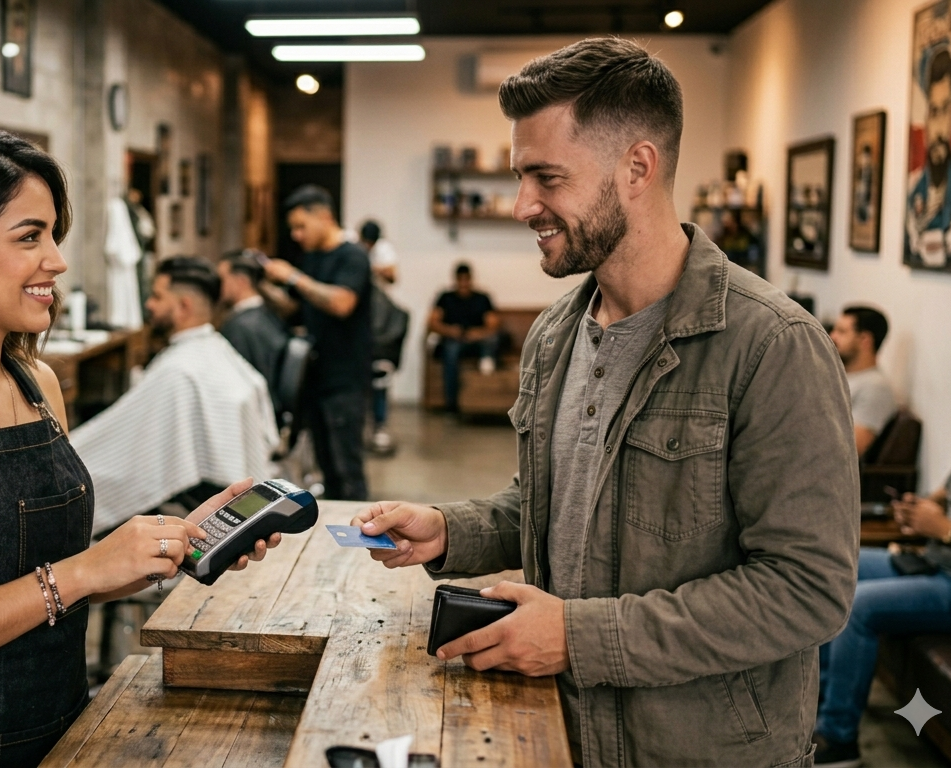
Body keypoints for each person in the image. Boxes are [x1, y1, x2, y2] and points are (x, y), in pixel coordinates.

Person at [351, 38, 858, 767]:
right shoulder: (557, 334)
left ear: (637, 167)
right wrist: (447, 530)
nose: (524, 204)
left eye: (546, 177)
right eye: (522, 175)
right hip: (559, 732)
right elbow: (554, 505)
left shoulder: (774, 345)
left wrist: (575, 636)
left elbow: (807, 590)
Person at [0, 129, 278, 767]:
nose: (57, 261)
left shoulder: (36, 384)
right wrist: (85, 570)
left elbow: (45, 587)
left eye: (53, 235)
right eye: (29, 236)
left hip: (54, 736)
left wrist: (161, 549)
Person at [814, 359, 951, 767]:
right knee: (833, 565)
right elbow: (942, 497)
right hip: (933, 562)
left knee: (859, 605)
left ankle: (838, 737)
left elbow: (949, 528)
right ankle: (813, 700)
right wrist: (917, 509)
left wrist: (946, 532)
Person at [71, 256, 278, 533]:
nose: (149, 305)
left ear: (183, 306)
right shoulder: (214, 349)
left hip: (194, 492)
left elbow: (134, 456)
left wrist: (64, 458)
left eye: (157, 296)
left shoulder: (180, 370)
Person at [263, 186, 373, 501]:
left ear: (324, 217)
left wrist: (294, 277)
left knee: (347, 469)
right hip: (316, 377)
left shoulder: (352, 256)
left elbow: (341, 303)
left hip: (345, 380)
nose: (296, 235)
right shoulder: (312, 257)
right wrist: (264, 284)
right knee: (327, 467)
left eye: (301, 226)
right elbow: (296, 309)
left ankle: (363, 543)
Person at [906, 47, 951, 269]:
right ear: (926, 119)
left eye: (944, 111)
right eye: (934, 112)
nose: (939, 129)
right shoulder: (915, 193)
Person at [428, 262, 502, 412]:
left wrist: (478, 333)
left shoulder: (482, 298)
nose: (463, 284)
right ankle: (452, 403)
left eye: (466, 280)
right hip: (454, 340)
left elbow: (493, 324)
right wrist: (450, 331)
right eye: (460, 280)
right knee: (451, 350)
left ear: (471, 279)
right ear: (455, 279)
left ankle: (485, 389)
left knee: (492, 341)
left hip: (479, 340)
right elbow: (432, 323)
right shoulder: (446, 297)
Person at [360, 220, 405, 454]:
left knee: (380, 373)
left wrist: (370, 267)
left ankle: (379, 425)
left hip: (379, 319)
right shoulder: (353, 247)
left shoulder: (384, 250)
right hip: (361, 319)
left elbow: (392, 276)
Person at [829, 305, 898, 456]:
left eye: (841, 332)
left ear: (864, 340)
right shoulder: (843, 375)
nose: (832, 337)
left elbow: (849, 449)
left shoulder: (875, 387)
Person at [217, 250, 289, 394]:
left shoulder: (239, 327)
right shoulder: (270, 313)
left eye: (221, 280)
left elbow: (235, 386)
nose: (217, 287)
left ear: (241, 281)